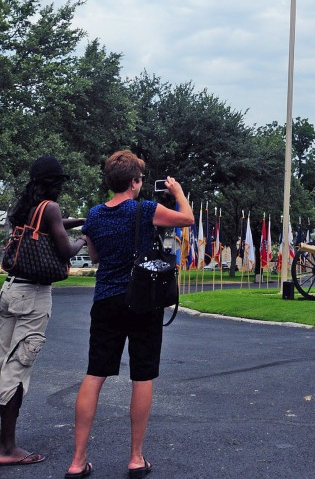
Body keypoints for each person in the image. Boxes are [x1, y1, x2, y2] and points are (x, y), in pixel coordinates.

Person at [65, 150, 194, 479]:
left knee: (95, 374)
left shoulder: (94, 215)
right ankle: (136, 458)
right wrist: (177, 191)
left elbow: (95, 256)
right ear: (136, 182)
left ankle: (78, 461)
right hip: (142, 300)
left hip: (106, 299)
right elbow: (187, 219)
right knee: (142, 376)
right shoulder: (145, 209)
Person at [0, 155, 86, 467]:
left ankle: (2, 441)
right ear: (54, 182)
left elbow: (49, 227)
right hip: (33, 296)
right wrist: (83, 239)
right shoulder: (50, 207)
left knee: (2, 363)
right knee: (17, 368)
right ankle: (7, 449)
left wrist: (73, 223)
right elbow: (65, 250)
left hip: (10, 290)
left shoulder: (23, 207)